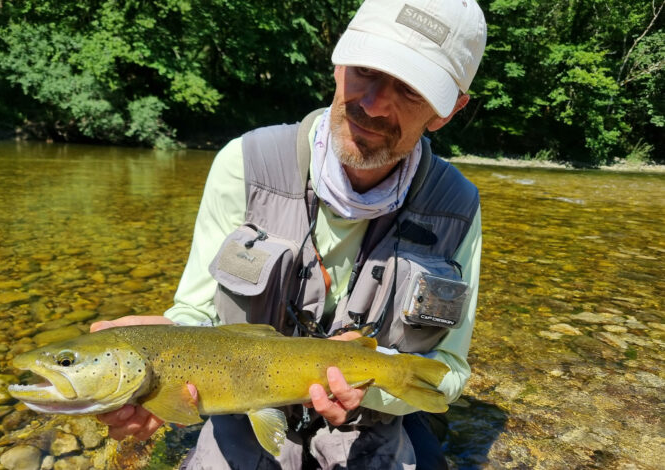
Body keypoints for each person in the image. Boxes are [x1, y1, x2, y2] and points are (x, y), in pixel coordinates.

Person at [91, 0, 486, 468]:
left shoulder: (456, 208)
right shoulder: (244, 163)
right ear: (338, 62)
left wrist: (370, 384)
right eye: (365, 70)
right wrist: (159, 373)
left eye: (411, 90)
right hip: (243, 418)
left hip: (371, 425)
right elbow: (196, 315)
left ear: (448, 110)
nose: (374, 104)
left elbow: (449, 373)